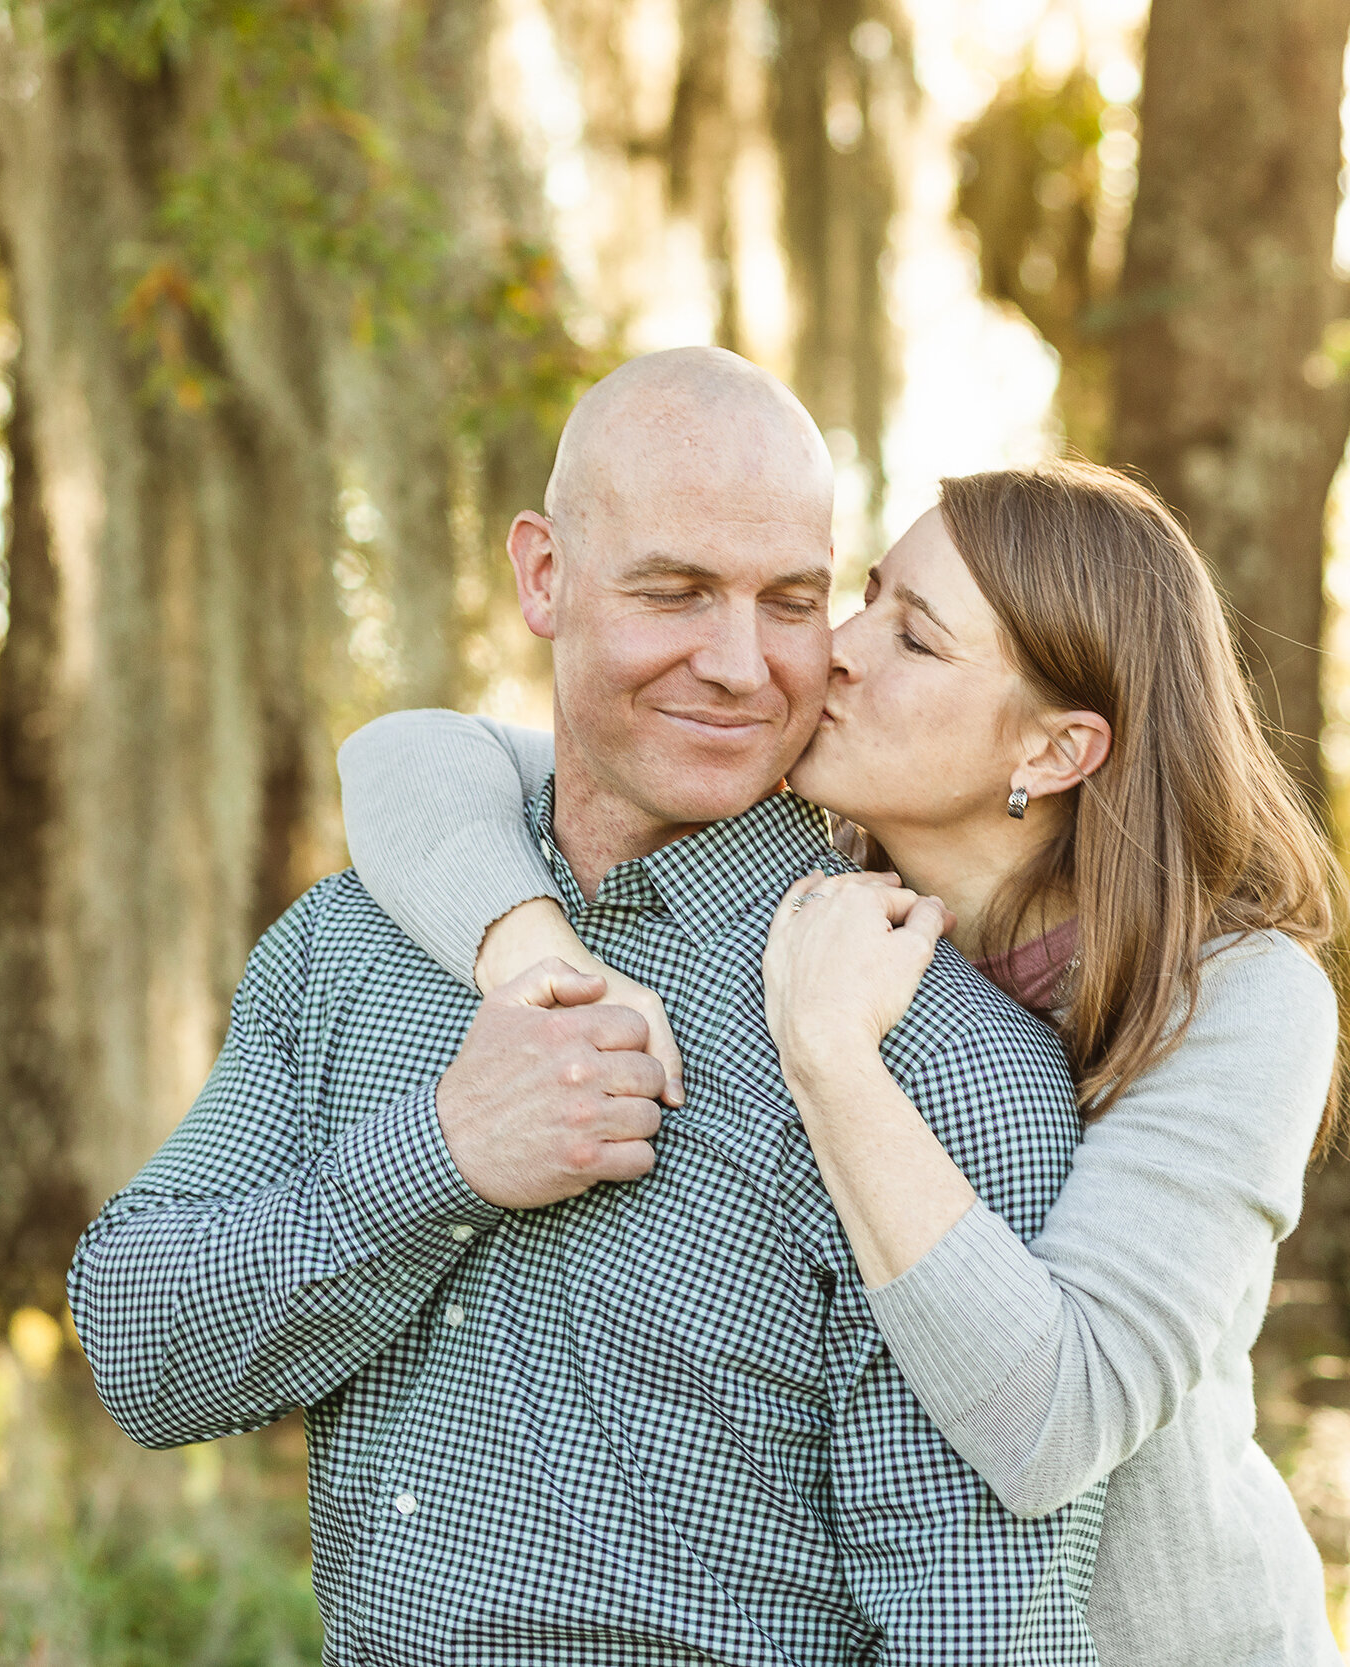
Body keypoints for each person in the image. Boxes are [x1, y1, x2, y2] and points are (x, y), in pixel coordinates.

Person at [68, 348, 1104, 1666]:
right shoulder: (351, 944)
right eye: (674, 592)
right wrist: (437, 1159)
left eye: (791, 601)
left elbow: (980, 1631)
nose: (741, 664)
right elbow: (141, 1350)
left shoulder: (940, 1064)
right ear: (543, 575)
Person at [340, 458, 1347, 1665]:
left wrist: (830, 1057)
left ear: (1055, 748)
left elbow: (1054, 1418)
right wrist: (540, 956)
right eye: (865, 597)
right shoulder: (817, 859)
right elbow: (406, 758)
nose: (837, 650)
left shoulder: (1238, 995)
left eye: (912, 638)